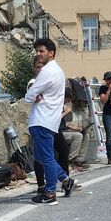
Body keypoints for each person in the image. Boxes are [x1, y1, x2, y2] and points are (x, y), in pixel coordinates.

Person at [25, 38, 75, 205]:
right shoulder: (58, 71)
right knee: (42, 156)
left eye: (42, 51)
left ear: (51, 53)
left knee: (45, 158)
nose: (38, 54)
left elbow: (30, 95)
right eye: (37, 51)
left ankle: (50, 193)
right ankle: (66, 181)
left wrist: (31, 96)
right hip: (49, 120)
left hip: (42, 120)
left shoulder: (47, 71)